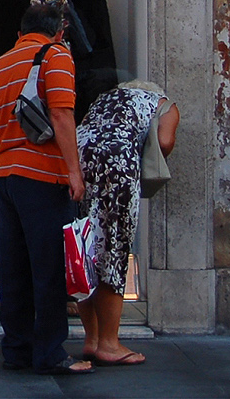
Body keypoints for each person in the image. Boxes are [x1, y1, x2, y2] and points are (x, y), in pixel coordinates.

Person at [0, 3, 92, 375]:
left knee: (14, 267)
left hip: (7, 179)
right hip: (43, 177)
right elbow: (61, 114)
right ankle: (51, 353)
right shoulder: (55, 56)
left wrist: (0, 172)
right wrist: (74, 173)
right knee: (48, 267)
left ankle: (17, 349)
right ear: (59, 32)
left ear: (19, 33)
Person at [77, 80, 180, 366]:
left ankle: (92, 339)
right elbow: (164, 142)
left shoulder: (105, 98)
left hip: (80, 153)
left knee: (87, 247)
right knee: (114, 247)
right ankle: (109, 344)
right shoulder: (164, 104)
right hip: (117, 161)